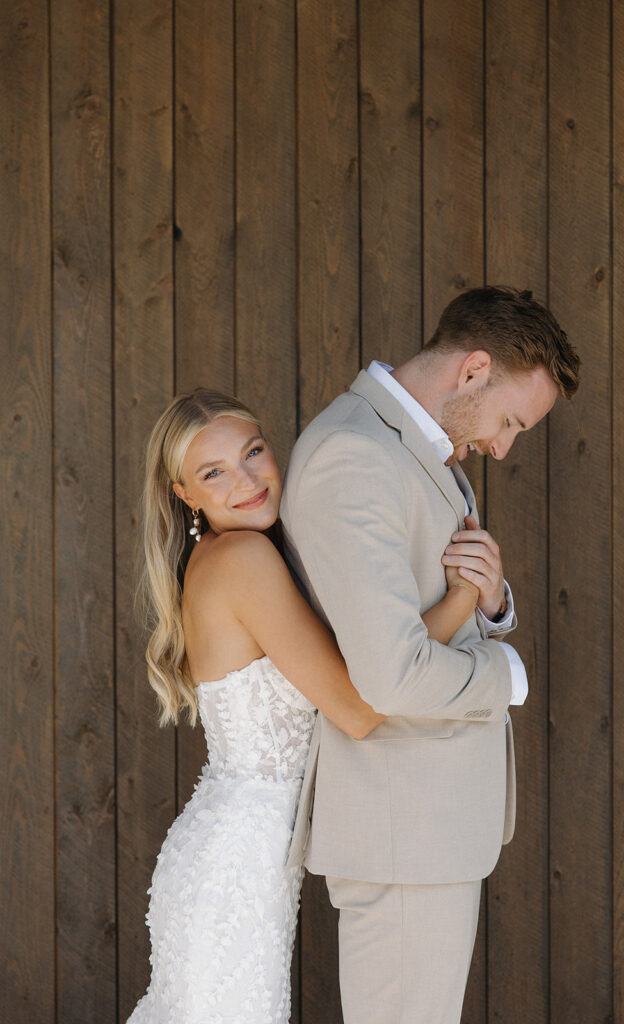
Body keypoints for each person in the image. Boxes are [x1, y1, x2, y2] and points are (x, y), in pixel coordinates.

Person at [126, 388, 483, 1024]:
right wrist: (460, 600)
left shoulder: (239, 555)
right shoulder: (242, 558)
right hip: (236, 872)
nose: (247, 480)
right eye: (215, 473)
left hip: (238, 855)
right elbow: (357, 708)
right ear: (186, 495)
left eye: (253, 452)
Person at [281, 286, 581, 1023]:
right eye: (509, 421)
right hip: (400, 827)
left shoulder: (412, 447)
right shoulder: (355, 455)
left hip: (424, 827)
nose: (504, 448)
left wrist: (491, 601)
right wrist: (504, 675)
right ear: (473, 369)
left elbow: (422, 601)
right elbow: (392, 674)